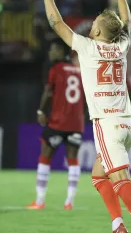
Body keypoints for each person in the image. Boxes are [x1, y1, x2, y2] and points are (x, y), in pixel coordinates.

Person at [37, 0, 131, 233]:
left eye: (95, 24)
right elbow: (126, 23)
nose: (91, 25)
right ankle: (118, 225)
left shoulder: (87, 48)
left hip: (107, 124)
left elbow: (56, 24)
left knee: (120, 179)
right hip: (127, 124)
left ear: (101, 32)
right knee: (97, 176)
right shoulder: (120, 46)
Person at [27, 39, 84, 211]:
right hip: (76, 124)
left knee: (45, 157)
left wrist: (41, 112)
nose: (51, 53)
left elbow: (48, 92)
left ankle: (39, 200)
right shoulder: (80, 71)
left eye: (53, 50)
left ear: (60, 51)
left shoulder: (56, 69)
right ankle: (69, 202)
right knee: (73, 160)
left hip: (58, 123)